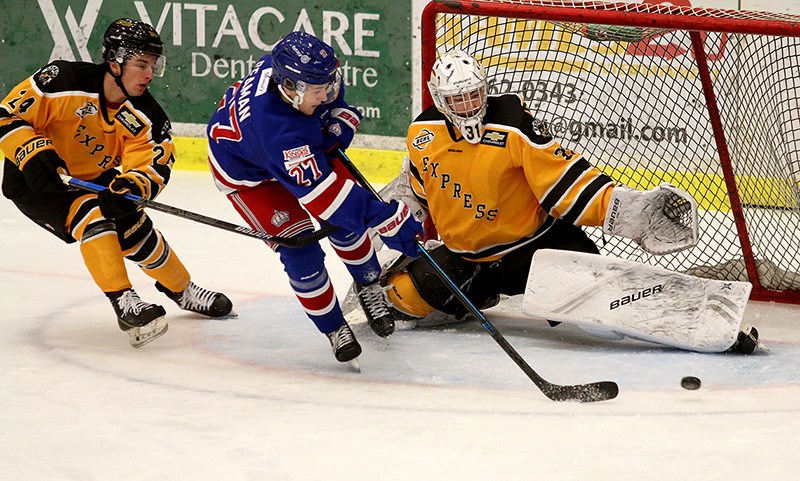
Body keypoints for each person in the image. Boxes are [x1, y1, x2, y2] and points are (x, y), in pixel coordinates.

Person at [376, 49, 758, 354]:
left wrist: (631, 212)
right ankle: (476, 295)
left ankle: (708, 326)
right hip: (466, 260)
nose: (468, 105)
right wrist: (382, 228)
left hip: (536, 250)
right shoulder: (423, 134)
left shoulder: (513, 124)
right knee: (402, 299)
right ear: (440, 99)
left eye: (474, 94)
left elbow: (563, 180)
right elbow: (415, 190)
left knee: (603, 320)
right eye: (457, 99)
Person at [1, 18, 233, 348]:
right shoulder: (63, 80)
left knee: (136, 229)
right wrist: (30, 149)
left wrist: (134, 186)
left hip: (93, 178)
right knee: (92, 215)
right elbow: (6, 115)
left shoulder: (146, 114)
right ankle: (125, 303)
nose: (149, 74)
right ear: (115, 62)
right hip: (37, 180)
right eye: (141, 64)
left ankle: (182, 290)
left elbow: (153, 162)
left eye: (153, 65)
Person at [206, 31, 423, 366]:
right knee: (302, 251)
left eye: (327, 87)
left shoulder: (301, 75)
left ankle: (368, 285)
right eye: (317, 92)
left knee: (347, 227)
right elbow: (328, 200)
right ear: (289, 89)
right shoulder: (279, 130)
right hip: (250, 178)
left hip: (289, 153)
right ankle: (334, 328)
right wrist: (387, 218)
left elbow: (338, 104)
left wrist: (339, 125)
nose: (325, 96)